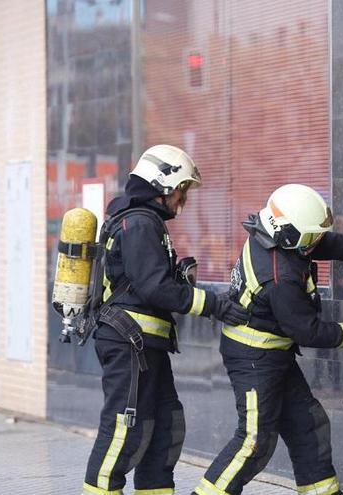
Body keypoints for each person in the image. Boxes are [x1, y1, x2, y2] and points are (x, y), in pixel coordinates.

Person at [193, 184, 343, 495]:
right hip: (254, 360)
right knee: (253, 442)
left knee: (309, 427)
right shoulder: (280, 275)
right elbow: (308, 331)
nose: (316, 243)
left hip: (273, 354)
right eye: (310, 238)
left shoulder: (282, 239)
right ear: (290, 234)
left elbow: (329, 243)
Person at [83, 144, 244, 495]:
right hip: (129, 344)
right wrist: (213, 304)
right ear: (164, 186)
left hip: (146, 347)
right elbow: (154, 288)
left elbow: (149, 283)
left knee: (164, 430)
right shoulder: (139, 223)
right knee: (123, 432)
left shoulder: (143, 221)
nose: (182, 200)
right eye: (182, 190)